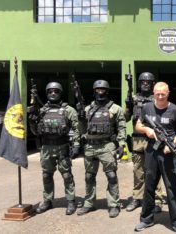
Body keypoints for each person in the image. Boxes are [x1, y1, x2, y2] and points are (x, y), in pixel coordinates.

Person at [134, 82, 176, 234]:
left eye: (163, 93)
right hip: (151, 151)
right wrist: (146, 129)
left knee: (172, 187)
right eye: (158, 94)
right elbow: (138, 125)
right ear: (153, 93)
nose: (161, 96)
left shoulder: (175, 110)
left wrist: (172, 144)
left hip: (168, 152)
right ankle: (146, 219)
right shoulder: (147, 108)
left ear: (168, 93)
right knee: (149, 185)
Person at [28, 82, 80, 215]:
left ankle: (70, 200)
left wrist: (76, 145)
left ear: (60, 93)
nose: (53, 94)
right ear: (46, 93)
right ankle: (47, 200)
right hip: (46, 147)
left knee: (67, 175)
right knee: (46, 175)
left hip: (62, 146)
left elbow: (76, 129)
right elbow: (36, 132)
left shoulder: (69, 110)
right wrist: (32, 122)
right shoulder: (41, 110)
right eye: (50, 91)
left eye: (56, 91)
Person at [76, 80, 126, 218]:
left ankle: (113, 204)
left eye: (103, 89)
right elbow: (81, 130)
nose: (100, 91)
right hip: (90, 146)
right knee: (89, 176)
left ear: (107, 91)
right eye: (97, 89)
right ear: (94, 91)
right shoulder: (87, 109)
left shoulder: (116, 108)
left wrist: (121, 144)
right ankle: (88, 203)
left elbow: (121, 127)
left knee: (111, 176)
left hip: (107, 145)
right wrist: (80, 120)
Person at [124, 72, 165, 213]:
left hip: (153, 138)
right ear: (139, 83)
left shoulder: (157, 98)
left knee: (155, 170)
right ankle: (137, 197)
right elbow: (126, 118)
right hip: (137, 139)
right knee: (138, 170)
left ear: (153, 84)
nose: (145, 84)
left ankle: (158, 200)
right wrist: (128, 105)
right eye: (143, 82)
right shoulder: (134, 98)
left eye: (148, 82)